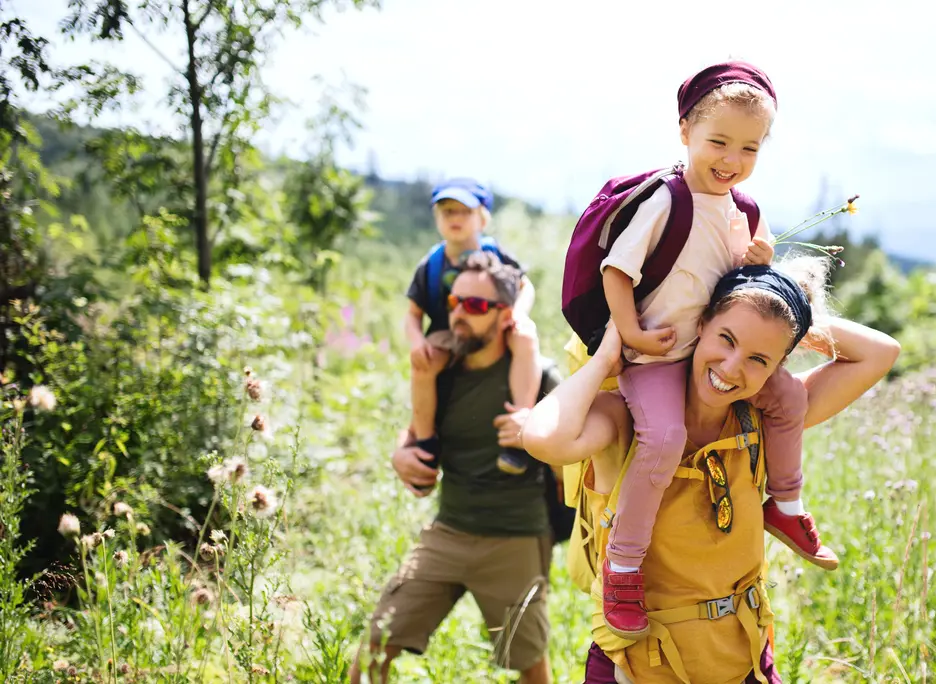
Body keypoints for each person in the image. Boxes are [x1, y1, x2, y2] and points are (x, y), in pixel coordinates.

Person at [523, 262, 901, 683]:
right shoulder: (626, 418)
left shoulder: (765, 422)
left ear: (776, 366)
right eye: (727, 338)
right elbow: (543, 439)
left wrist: (778, 313)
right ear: (700, 324)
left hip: (744, 661)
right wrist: (607, 358)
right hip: (638, 667)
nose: (732, 368)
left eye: (758, 359)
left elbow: (881, 352)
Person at [591, 60, 835, 641]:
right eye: (718, 142)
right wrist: (631, 335)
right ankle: (623, 565)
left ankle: (785, 504)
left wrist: (760, 260)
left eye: (749, 148)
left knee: (788, 399)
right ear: (685, 131)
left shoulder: (743, 210)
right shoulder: (666, 200)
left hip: (711, 352)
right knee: (664, 438)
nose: (732, 159)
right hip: (657, 355)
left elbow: (750, 289)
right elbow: (617, 271)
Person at [352, 252, 557, 684]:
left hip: (516, 537)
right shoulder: (440, 371)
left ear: (505, 315)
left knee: (530, 664)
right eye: (454, 302)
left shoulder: (540, 376)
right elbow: (415, 431)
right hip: (448, 532)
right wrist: (400, 454)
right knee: (372, 650)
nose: (459, 313)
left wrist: (538, 433)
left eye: (475, 305)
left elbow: (574, 455)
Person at [405, 177, 540, 478]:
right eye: (447, 211)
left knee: (525, 337)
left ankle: (519, 426)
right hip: (447, 332)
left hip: (495, 326)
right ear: (437, 218)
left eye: (464, 211)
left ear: (483, 219)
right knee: (423, 365)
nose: (455, 218)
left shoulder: (496, 254)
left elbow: (525, 286)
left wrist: (519, 313)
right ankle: (426, 443)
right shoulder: (431, 264)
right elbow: (413, 314)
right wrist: (416, 342)